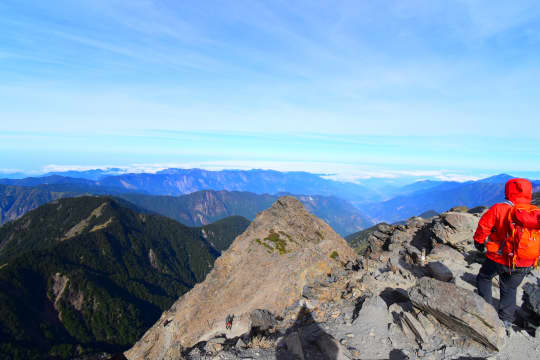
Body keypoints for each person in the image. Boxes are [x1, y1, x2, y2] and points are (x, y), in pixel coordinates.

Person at [473, 178, 534, 330]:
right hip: (525, 261)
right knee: (510, 288)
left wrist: (479, 242)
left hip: (500, 258)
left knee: (484, 278)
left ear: (508, 191)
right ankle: (506, 322)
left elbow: (484, 226)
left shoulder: (500, 208)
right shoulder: (534, 213)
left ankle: (486, 312)